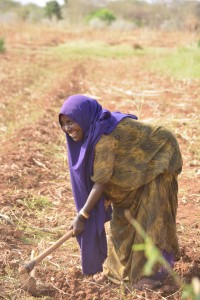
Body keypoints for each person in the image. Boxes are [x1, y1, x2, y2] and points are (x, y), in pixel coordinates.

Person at [59, 94, 182, 290]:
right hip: (135, 171)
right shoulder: (92, 134)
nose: (67, 129)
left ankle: (149, 274)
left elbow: (100, 182)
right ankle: (117, 273)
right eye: (63, 124)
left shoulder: (103, 139)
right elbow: (106, 176)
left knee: (149, 219)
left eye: (71, 122)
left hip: (160, 158)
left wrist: (83, 215)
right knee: (121, 222)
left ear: (83, 117)